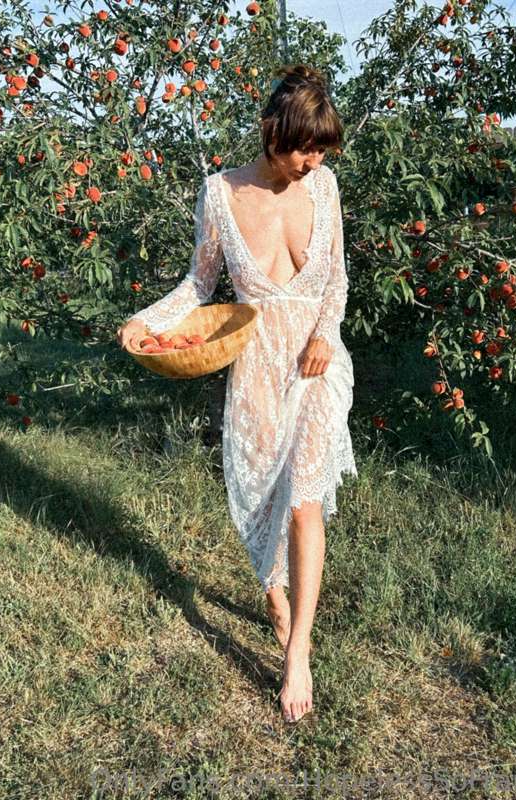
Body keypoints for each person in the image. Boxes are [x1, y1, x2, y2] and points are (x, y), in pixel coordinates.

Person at [116, 64, 358, 724]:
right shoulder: (219, 193)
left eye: (322, 151)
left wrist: (325, 335)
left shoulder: (324, 186)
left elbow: (336, 280)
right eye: (304, 149)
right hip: (255, 365)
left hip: (315, 365)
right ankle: (275, 594)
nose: (313, 163)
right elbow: (199, 285)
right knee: (258, 496)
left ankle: (298, 651)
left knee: (303, 501)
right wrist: (146, 320)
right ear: (272, 133)